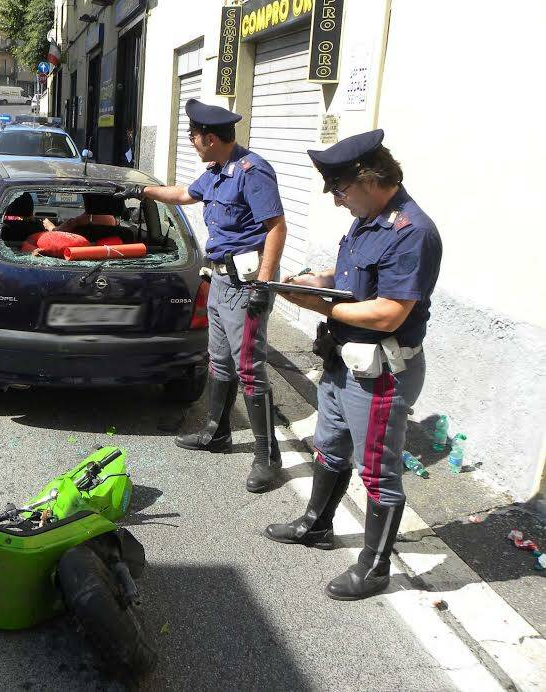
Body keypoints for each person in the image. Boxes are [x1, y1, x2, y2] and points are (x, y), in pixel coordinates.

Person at [264, 129, 442, 601]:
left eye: (341, 191)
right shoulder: (369, 220)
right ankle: (316, 524)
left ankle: (375, 567)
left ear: (370, 178)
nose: (338, 201)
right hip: (344, 361)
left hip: (381, 373)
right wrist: (311, 282)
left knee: (378, 471)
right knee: (329, 444)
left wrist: (317, 306)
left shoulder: (411, 231)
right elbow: (352, 281)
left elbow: (388, 311)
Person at [116, 99, 287, 493]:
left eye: (194, 136)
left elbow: (276, 227)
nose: (192, 142)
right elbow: (184, 195)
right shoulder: (217, 171)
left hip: (247, 284)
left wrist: (263, 283)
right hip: (222, 279)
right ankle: (217, 431)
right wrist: (143, 190)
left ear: (210, 138)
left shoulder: (252, 171)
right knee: (221, 360)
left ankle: (267, 456)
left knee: (249, 368)